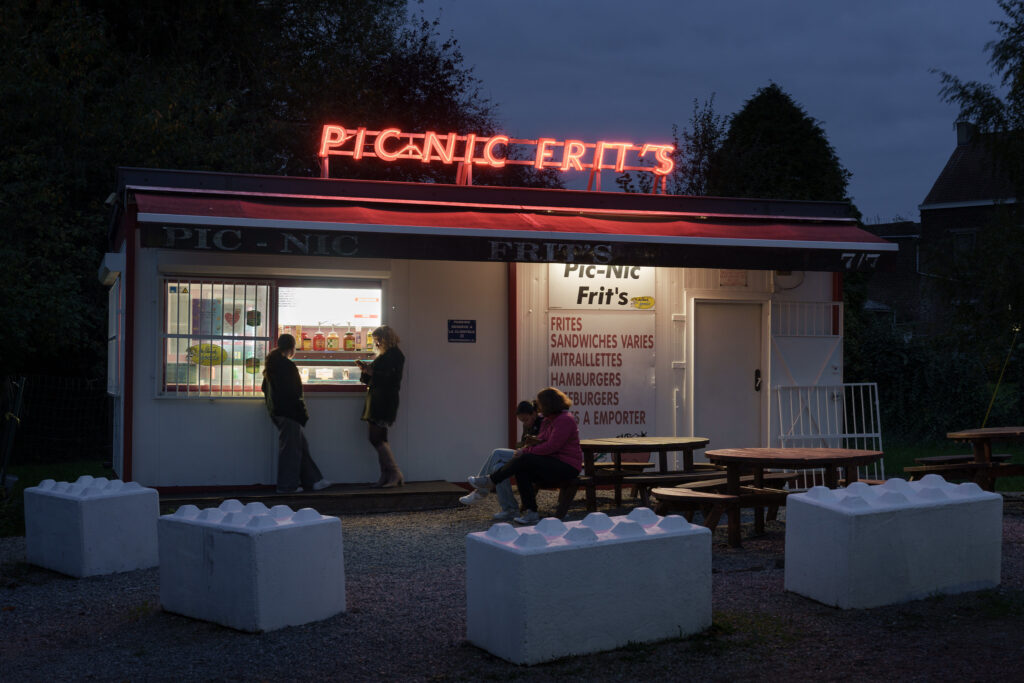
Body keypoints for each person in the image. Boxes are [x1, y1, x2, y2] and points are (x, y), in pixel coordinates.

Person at [468, 387, 582, 525]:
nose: (538, 407)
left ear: (548, 404)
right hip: (553, 462)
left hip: (567, 466)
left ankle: (491, 480)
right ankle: (531, 512)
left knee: (524, 459)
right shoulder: (549, 420)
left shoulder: (564, 420)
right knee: (522, 468)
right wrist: (527, 448)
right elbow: (541, 441)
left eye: (540, 403)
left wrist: (526, 451)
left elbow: (552, 446)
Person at [261, 333, 331, 493]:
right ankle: (287, 486)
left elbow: (265, 388)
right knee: (291, 450)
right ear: (292, 348)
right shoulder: (288, 366)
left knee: (299, 445)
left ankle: (314, 480)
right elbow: (295, 392)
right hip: (289, 413)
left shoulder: (271, 365)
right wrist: (302, 413)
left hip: (277, 412)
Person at [459, 400, 542, 521]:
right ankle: (510, 509)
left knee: (497, 453)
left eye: (526, 420)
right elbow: (524, 444)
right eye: (522, 421)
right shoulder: (528, 425)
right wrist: (522, 447)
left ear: (534, 413)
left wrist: (523, 448)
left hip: (534, 459)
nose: (524, 423)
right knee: (497, 468)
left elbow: (539, 445)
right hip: (525, 455)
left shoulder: (542, 423)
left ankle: (482, 490)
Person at [355, 325, 405, 488]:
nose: (376, 344)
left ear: (386, 339)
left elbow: (392, 379)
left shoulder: (395, 355)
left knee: (376, 438)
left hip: (384, 401)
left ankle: (394, 473)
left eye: (378, 340)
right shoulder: (386, 355)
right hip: (379, 400)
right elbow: (375, 378)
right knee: (380, 438)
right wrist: (366, 371)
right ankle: (386, 474)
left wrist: (371, 372)